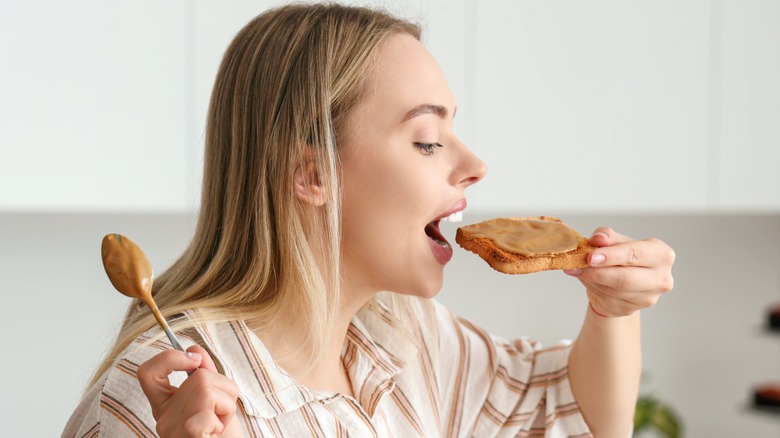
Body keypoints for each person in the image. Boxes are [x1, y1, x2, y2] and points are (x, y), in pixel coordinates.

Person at [63, 3, 675, 437]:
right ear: (312, 175)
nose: (475, 165)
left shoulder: (406, 341)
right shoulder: (159, 400)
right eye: (428, 141)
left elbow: (571, 417)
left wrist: (612, 310)